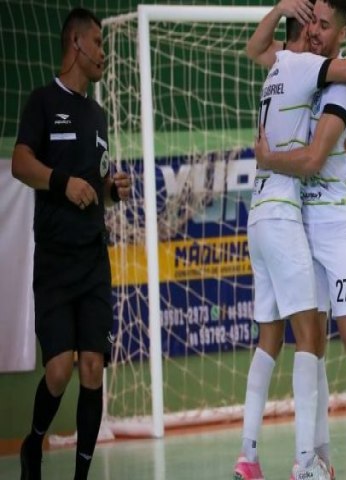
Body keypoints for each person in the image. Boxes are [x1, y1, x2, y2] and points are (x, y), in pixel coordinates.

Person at [249, 1, 346, 479]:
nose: (314, 33)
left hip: (337, 222)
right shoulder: (304, 72)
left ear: (341, 32)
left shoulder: (342, 84)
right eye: (310, 24)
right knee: (312, 342)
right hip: (302, 221)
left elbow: (312, 159)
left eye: (324, 26)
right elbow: (260, 52)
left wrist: (268, 162)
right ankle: (316, 456)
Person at [12, 7, 131, 480]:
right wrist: (61, 182)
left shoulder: (98, 115)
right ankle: (33, 443)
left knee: (93, 369)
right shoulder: (42, 101)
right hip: (56, 263)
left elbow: (94, 184)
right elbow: (22, 164)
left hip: (93, 260)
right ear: (77, 44)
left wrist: (110, 190)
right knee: (60, 370)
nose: (104, 53)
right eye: (99, 43)